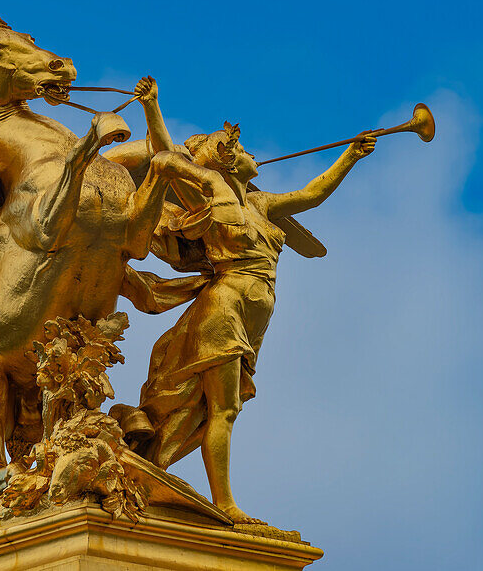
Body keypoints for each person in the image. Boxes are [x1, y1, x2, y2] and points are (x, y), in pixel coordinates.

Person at [130, 76, 376, 524]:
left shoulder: (260, 206)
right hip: (224, 308)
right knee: (222, 410)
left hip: (250, 318)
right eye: (240, 147)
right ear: (225, 157)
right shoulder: (209, 187)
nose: (250, 153)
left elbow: (310, 195)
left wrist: (351, 156)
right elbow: (164, 154)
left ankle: (158, 470)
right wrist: (152, 107)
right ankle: (224, 503)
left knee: (216, 409)